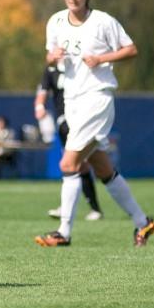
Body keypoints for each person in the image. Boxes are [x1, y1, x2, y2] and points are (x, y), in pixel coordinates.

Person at [35, 0, 154, 248]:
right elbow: (50, 56)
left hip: (96, 98)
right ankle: (143, 222)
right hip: (72, 100)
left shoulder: (102, 22)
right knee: (102, 168)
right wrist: (52, 57)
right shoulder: (55, 22)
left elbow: (131, 49)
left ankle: (63, 232)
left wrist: (102, 58)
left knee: (68, 163)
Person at [35, 64, 103, 220]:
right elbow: (42, 91)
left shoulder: (79, 63)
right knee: (80, 164)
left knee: (80, 163)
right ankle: (92, 209)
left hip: (82, 118)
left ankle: (72, 209)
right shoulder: (51, 68)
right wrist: (39, 107)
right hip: (64, 120)